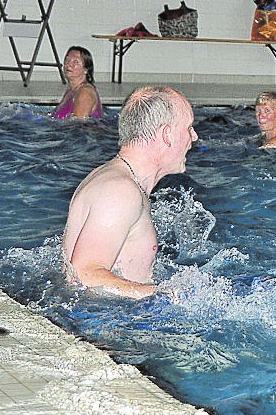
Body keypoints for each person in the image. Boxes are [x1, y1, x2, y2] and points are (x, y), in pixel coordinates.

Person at [62, 87, 197, 298]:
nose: (194, 137)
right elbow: (83, 276)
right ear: (167, 134)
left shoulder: (113, 178)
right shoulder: (120, 191)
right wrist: (165, 295)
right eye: (188, 128)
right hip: (107, 322)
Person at [54, 45, 104, 120]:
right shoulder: (72, 90)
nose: (69, 64)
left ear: (85, 69)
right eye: (67, 60)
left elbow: (78, 124)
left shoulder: (85, 92)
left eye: (75, 62)